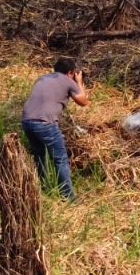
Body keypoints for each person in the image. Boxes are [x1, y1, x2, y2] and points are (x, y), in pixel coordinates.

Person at [20, 57, 89, 200]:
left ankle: (45, 188)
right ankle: (68, 197)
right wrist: (79, 82)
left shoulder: (42, 78)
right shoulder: (68, 80)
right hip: (44, 123)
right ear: (70, 73)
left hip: (26, 121)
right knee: (60, 159)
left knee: (40, 156)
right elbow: (83, 101)